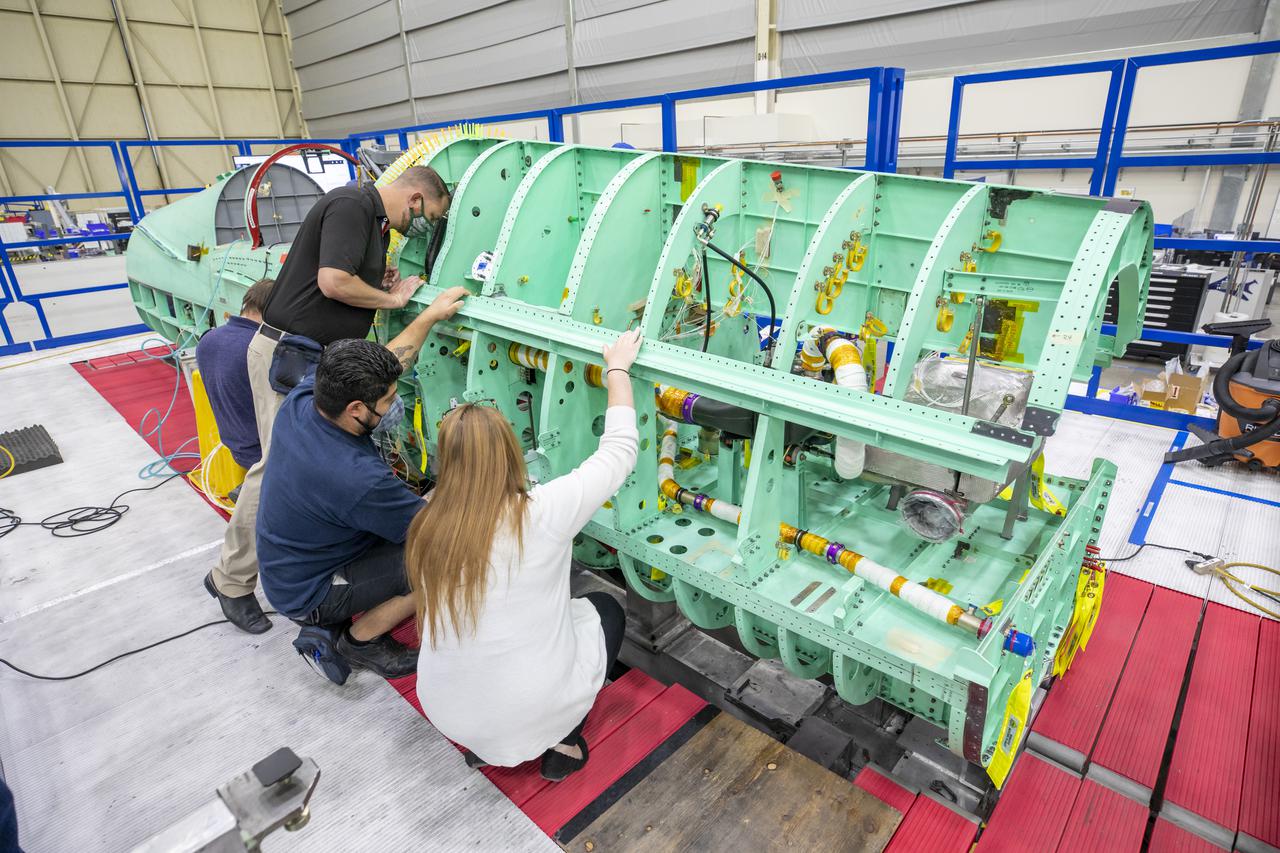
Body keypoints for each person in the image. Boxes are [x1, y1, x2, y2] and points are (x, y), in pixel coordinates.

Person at [205, 166, 451, 635]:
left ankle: (326, 559)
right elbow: (333, 283)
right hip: (292, 357)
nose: (419, 226)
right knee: (275, 469)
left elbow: (343, 277)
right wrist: (393, 301)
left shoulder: (368, 219)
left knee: (296, 467)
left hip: (312, 357)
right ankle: (231, 581)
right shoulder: (353, 204)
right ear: (415, 198)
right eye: (428, 216)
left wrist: (376, 276)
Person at [407, 328, 642, 782]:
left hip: (444, 708)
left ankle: (486, 742)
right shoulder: (541, 512)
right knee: (604, 610)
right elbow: (619, 451)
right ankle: (564, 738)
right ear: (511, 452)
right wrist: (617, 369)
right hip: (527, 707)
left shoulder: (426, 523)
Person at [255, 286, 468, 678]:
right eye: (387, 400)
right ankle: (360, 642)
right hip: (310, 590)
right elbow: (437, 533)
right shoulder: (355, 479)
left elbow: (389, 362)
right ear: (356, 409)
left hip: (292, 562)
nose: (394, 405)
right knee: (450, 560)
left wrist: (429, 316)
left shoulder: (307, 400)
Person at [194, 278, 274, 470]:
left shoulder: (207, 340)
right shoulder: (259, 347)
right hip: (264, 453)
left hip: (236, 447)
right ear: (274, 309)